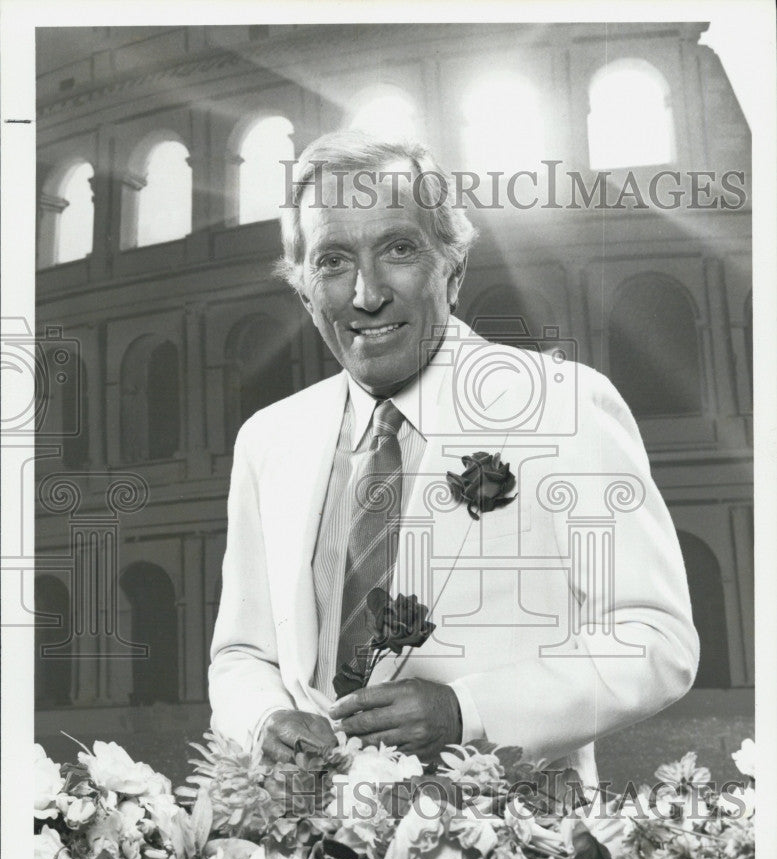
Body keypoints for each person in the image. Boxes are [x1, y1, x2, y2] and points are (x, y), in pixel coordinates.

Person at [208, 131, 699, 785]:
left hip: (515, 858)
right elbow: (242, 653)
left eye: (398, 247)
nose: (365, 292)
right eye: (332, 261)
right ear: (304, 292)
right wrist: (263, 716)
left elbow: (655, 639)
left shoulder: (563, 404)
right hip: (307, 854)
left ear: (454, 267)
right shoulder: (269, 440)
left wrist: (467, 712)